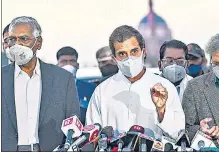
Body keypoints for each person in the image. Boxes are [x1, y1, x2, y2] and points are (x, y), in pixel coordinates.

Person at [86, 25, 185, 139]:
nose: (129, 58)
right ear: (114, 58)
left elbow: (178, 133)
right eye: (122, 54)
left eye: (134, 51)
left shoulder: (165, 87)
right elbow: (91, 136)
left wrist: (161, 110)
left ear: (144, 52)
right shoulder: (102, 91)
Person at [1, 16, 80, 151]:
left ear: (38, 42)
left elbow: (73, 122)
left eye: (24, 39)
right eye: (12, 39)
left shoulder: (62, 79)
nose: (17, 45)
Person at [56, 46, 96, 125]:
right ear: (57, 65)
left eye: (72, 61)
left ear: (77, 65)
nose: (68, 65)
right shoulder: (47, 88)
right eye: (64, 61)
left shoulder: (91, 88)